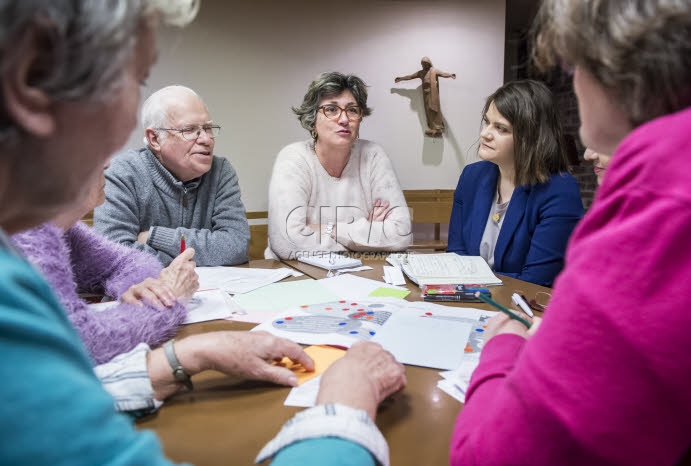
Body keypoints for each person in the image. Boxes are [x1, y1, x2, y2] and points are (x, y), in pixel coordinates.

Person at [0, 3, 405, 465]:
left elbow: (228, 245)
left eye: (207, 128)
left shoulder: (36, 229)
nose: (122, 136)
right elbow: (82, 342)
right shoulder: (29, 238)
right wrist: (344, 407)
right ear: (30, 87)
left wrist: (190, 352)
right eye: (134, 79)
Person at [450, 1, 691, 465]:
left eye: (575, 65)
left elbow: (489, 456)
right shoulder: (474, 177)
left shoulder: (660, 196)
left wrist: (502, 346)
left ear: (606, 73)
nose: (587, 155)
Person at [12, 162, 197, 365]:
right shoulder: (26, 233)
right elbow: (83, 341)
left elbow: (131, 261)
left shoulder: (63, 229)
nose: (107, 163)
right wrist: (167, 299)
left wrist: (140, 291)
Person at [447, 79, 584, 287]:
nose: (485, 134)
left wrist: (476, 288)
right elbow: (456, 254)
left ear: (531, 138)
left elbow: (536, 282)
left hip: (524, 311)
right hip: (470, 303)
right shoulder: (472, 176)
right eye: (487, 122)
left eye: (501, 128)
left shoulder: (560, 191)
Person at [94, 85, 250, 267]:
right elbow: (114, 257)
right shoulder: (122, 173)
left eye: (208, 128)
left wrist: (155, 236)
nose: (206, 139)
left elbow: (237, 246)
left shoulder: (221, 171)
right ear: (155, 139)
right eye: (190, 130)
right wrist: (189, 260)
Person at [266, 72, 412, 260]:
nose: (344, 119)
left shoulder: (373, 155)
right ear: (312, 118)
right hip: (297, 274)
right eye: (331, 109)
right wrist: (364, 237)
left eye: (352, 110)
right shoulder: (293, 158)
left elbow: (401, 233)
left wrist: (327, 229)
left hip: (364, 272)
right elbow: (287, 242)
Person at [394, 57, 456, 137]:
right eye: (423, 64)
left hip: (433, 94)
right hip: (426, 95)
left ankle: (438, 128)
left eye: (425, 64)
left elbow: (443, 74)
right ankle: (433, 128)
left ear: (428, 63)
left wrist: (450, 75)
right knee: (428, 111)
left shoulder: (434, 71)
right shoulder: (421, 73)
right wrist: (401, 78)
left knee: (434, 110)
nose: (424, 65)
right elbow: (410, 76)